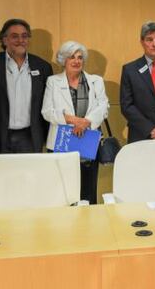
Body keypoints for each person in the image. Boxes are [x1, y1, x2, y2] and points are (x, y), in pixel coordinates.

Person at [42, 41, 109, 204]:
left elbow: (104, 107)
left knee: (88, 193)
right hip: (61, 143)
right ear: (63, 60)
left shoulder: (96, 81)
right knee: (63, 193)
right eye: (72, 57)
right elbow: (47, 112)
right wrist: (74, 120)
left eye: (80, 57)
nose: (76, 61)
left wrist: (86, 122)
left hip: (87, 142)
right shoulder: (53, 81)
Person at [0, 19, 53, 153]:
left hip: (30, 138)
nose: (21, 40)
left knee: (29, 174)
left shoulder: (43, 67)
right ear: (4, 40)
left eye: (24, 36)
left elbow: (47, 104)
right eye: (15, 36)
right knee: (1, 174)